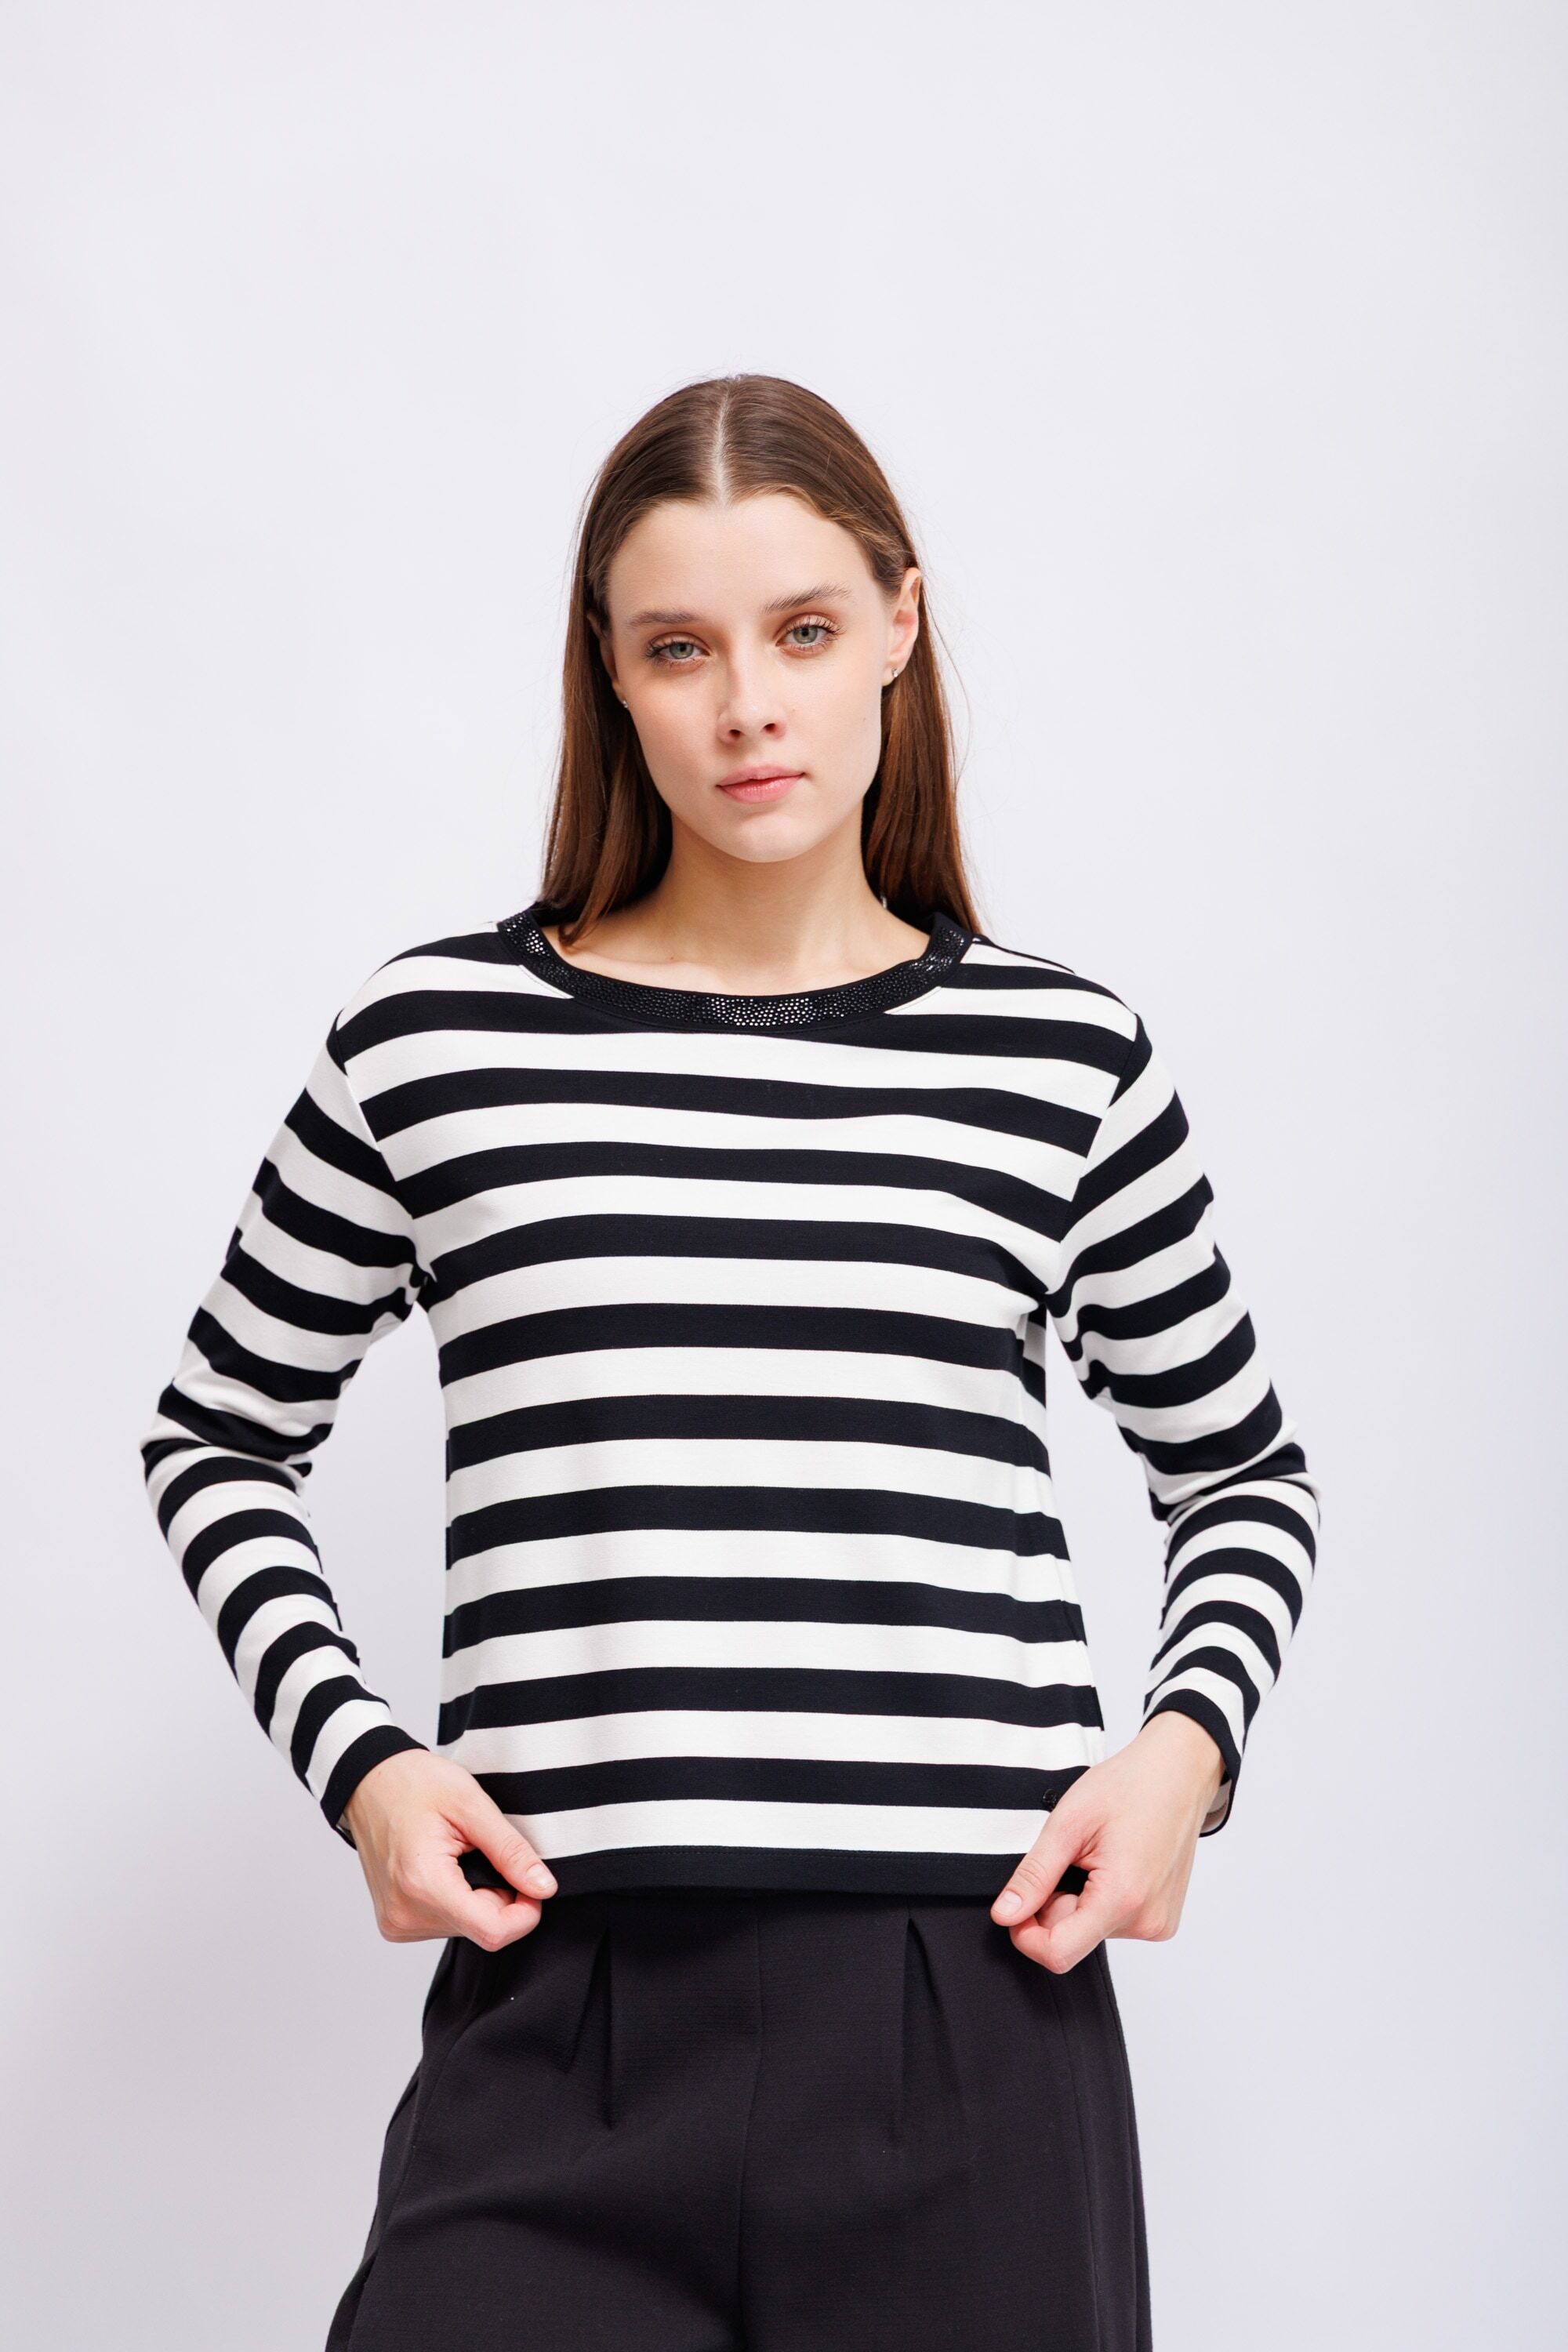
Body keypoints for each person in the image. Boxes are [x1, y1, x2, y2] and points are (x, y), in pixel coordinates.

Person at [140, 372, 1319, 2351]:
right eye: (679, 648)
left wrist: (1182, 1753)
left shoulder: (1061, 1059)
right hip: (562, 2007)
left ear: (899, 627)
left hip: (966, 2010)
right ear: (609, 675)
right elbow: (216, 1438)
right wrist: (363, 1765)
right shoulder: (432, 1048)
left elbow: (1241, 1478)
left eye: (803, 631)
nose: (748, 706)